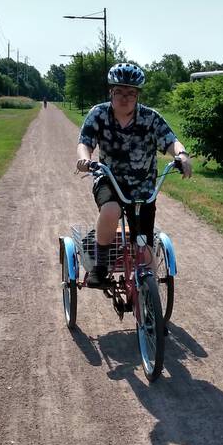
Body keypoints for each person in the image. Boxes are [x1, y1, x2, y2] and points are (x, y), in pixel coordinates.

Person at [76, 62, 192, 287]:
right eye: (119, 91)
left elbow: (171, 140)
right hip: (109, 179)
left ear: (137, 95)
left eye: (131, 93)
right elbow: (85, 142)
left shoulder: (150, 118)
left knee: (145, 250)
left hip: (143, 185)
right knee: (111, 210)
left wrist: (182, 155)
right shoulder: (99, 114)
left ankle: (148, 306)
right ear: (111, 92)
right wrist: (85, 159)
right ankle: (99, 268)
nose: (125, 97)